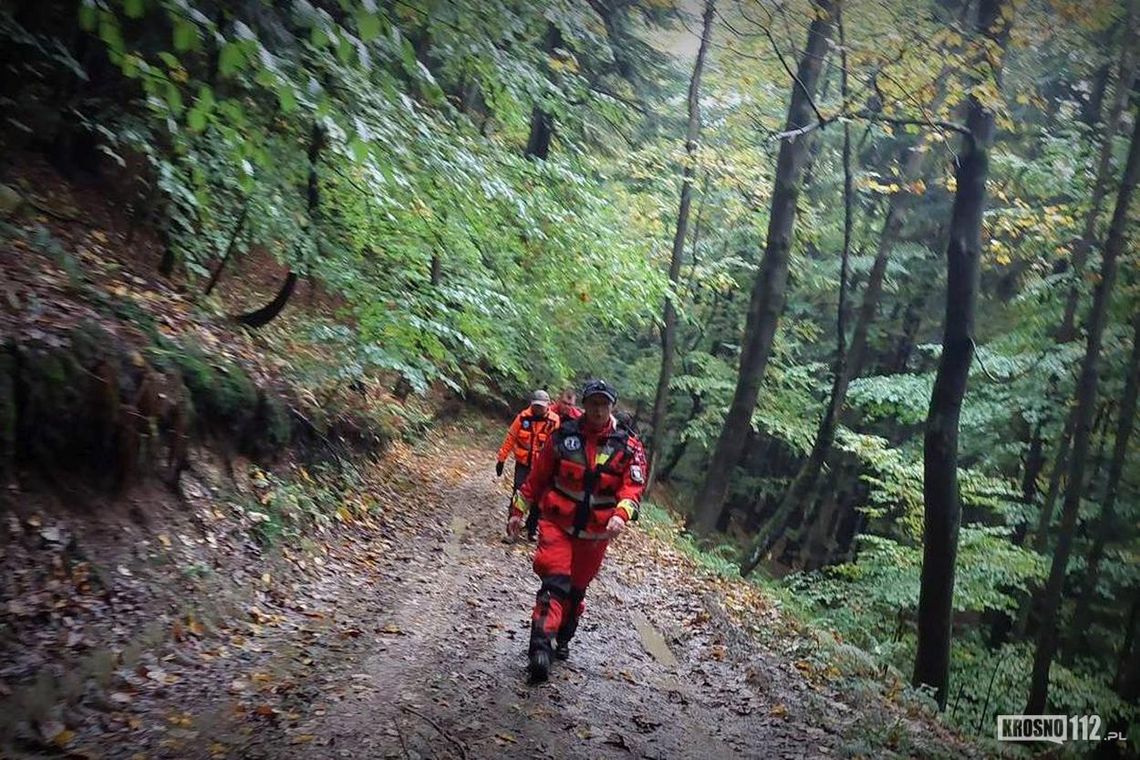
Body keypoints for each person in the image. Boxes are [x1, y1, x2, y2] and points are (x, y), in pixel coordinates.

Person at [507, 379, 647, 682]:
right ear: (585, 405)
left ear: (611, 406)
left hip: (595, 536)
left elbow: (633, 487)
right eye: (593, 403)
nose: (597, 410)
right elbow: (537, 477)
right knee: (554, 584)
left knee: (575, 591)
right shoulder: (563, 437)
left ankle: (563, 638)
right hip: (557, 524)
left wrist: (621, 514)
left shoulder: (628, 446)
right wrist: (518, 510)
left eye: (603, 404)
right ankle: (540, 649)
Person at [496, 390, 560, 539]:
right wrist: (501, 459)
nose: (539, 409)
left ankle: (532, 528)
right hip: (523, 464)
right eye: (536, 406)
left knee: (539, 498)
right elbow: (511, 438)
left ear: (548, 406)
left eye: (542, 406)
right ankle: (512, 530)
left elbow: (559, 445)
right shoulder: (522, 418)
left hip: (543, 466)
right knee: (518, 494)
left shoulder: (554, 421)